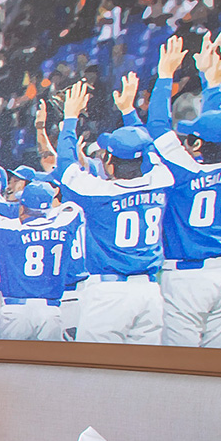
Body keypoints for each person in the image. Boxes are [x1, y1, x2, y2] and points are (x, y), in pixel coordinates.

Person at [131, 32, 221, 348]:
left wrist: (165, 76)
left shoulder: (184, 171)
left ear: (198, 144)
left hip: (187, 278)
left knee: (181, 361)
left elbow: (157, 127)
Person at [54, 80, 177, 344]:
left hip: (109, 294)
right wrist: (129, 112)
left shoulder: (98, 192)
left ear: (108, 161)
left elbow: (65, 166)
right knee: (143, 367)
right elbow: (150, 149)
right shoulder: (161, 181)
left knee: (96, 366)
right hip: (149, 292)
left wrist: (70, 118)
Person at [0, 176, 85, 341]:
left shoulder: (7, 231)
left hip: (16, 312)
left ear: (22, 207)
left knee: (12, 358)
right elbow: (74, 211)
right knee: (49, 358)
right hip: (50, 312)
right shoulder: (63, 228)